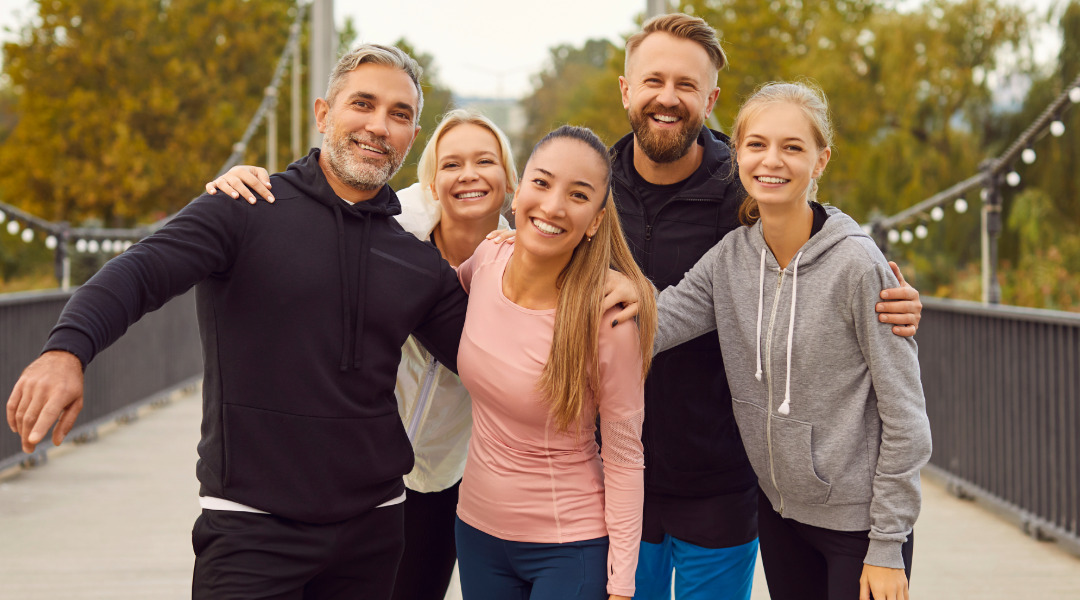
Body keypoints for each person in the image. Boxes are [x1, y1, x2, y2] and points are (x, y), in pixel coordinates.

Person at [6, 44, 469, 600]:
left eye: (399, 114)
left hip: (374, 532)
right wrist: (66, 351)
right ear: (323, 114)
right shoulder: (243, 206)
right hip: (251, 529)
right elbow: (138, 274)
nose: (378, 125)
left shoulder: (415, 261)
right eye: (362, 104)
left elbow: (493, 353)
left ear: (411, 137)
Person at [610, 14, 923, 600]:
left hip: (832, 517)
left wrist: (888, 544)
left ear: (821, 160)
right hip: (773, 509)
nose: (770, 161)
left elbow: (907, 421)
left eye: (791, 148)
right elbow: (659, 321)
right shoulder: (725, 254)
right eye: (757, 145)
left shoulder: (852, 262)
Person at [208, 107, 518, 600]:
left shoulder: (527, 263)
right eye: (451, 163)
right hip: (362, 476)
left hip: (449, 478)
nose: (468, 175)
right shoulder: (389, 228)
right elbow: (319, 204)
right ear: (432, 180)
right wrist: (252, 190)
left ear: (510, 182)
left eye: (486, 161)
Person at [452, 125, 656, 600]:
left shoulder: (609, 319)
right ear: (518, 189)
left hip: (569, 549)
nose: (552, 206)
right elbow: (416, 280)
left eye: (578, 195)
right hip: (476, 532)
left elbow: (625, 458)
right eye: (541, 183)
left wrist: (622, 585)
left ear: (595, 221)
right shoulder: (486, 259)